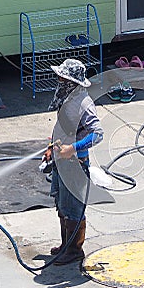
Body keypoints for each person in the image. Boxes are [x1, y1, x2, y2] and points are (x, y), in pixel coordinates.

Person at [42, 58, 103, 265]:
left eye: (62, 77)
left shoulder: (84, 104)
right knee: (62, 204)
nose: (58, 80)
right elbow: (61, 127)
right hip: (61, 162)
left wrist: (73, 148)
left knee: (74, 208)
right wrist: (51, 147)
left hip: (75, 165)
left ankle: (75, 250)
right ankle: (65, 245)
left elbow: (97, 134)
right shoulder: (66, 99)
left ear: (71, 81)